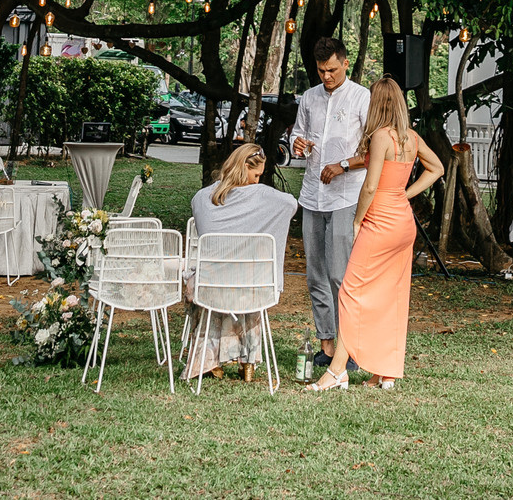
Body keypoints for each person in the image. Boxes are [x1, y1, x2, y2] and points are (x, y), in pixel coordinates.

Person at [307, 78, 443, 390]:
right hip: (402, 223)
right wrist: (405, 195)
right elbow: (436, 169)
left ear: (377, 104)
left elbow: (370, 186)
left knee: (350, 291)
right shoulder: (410, 138)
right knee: (390, 296)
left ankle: (338, 369)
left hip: (380, 221)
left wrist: (357, 222)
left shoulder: (382, 136)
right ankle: (386, 372)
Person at [184, 142, 300, 381]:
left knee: (212, 280)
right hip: (251, 285)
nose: (258, 181)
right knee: (245, 280)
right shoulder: (261, 196)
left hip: (211, 285)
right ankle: (248, 361)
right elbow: (291, 204)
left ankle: (210, 359)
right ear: (245, 166)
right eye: (256, 174)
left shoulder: (202, 197)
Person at [288, 39, 369, 362]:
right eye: (322, 71)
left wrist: (344, 165)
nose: (327, 76)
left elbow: (374, 149)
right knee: (315, 273)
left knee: (340, 273)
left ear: (345, 64)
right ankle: (326, 344)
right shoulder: (309, 97)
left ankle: (350, 346)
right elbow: (297, 132)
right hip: (312, 194)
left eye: (332, 70)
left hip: (345, 195)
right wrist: (298, 143)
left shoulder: (362, 97)